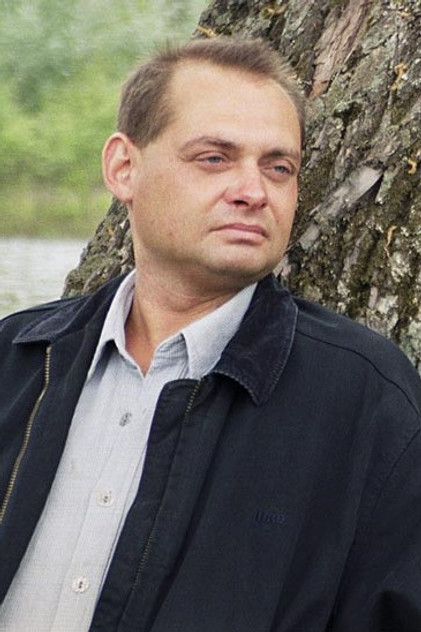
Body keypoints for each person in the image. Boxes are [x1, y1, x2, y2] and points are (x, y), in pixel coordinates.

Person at [1, 37, 421, 632]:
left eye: (278, 167)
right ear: (124, 168)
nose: (253, 190)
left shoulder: (367, 399)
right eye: (215, 158)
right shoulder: (17, 359)